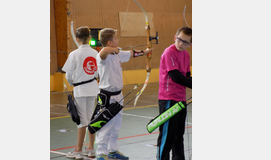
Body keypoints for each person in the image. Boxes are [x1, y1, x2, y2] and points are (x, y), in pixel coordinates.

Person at [95, 28, 153, 160]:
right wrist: (115, 50)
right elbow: (104, 51)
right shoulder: (102, 56)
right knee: (106, 124)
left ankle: (113, 151)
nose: (118, 40)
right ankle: (101, 153)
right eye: (115, 38)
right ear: (109, 42)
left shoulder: (117, 53)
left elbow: (132, 53)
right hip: (107, 96)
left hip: (118, 95)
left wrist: (146, 52)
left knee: (116, 124)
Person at [62, 26, 99, 159]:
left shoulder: (74, 54)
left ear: (77, 39)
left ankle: (78, 150)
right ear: (89, 38)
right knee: (90, 119)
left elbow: (68, 75)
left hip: (81, 90)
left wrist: (73, 83)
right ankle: (90, 148)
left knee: (81, 121)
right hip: (93, 89)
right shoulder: (96, 53)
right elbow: (98, 71)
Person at [156, 27, 192, 160]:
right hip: (168, 100)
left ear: (190, 44)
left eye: (185, 42)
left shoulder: (186, 55)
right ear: (174, 37)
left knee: (178, 135)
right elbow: (176, 76)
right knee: (167, 135)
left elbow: (187, 77)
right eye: (179, 39)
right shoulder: (169, 52)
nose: (181, 43)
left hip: (181, 100)